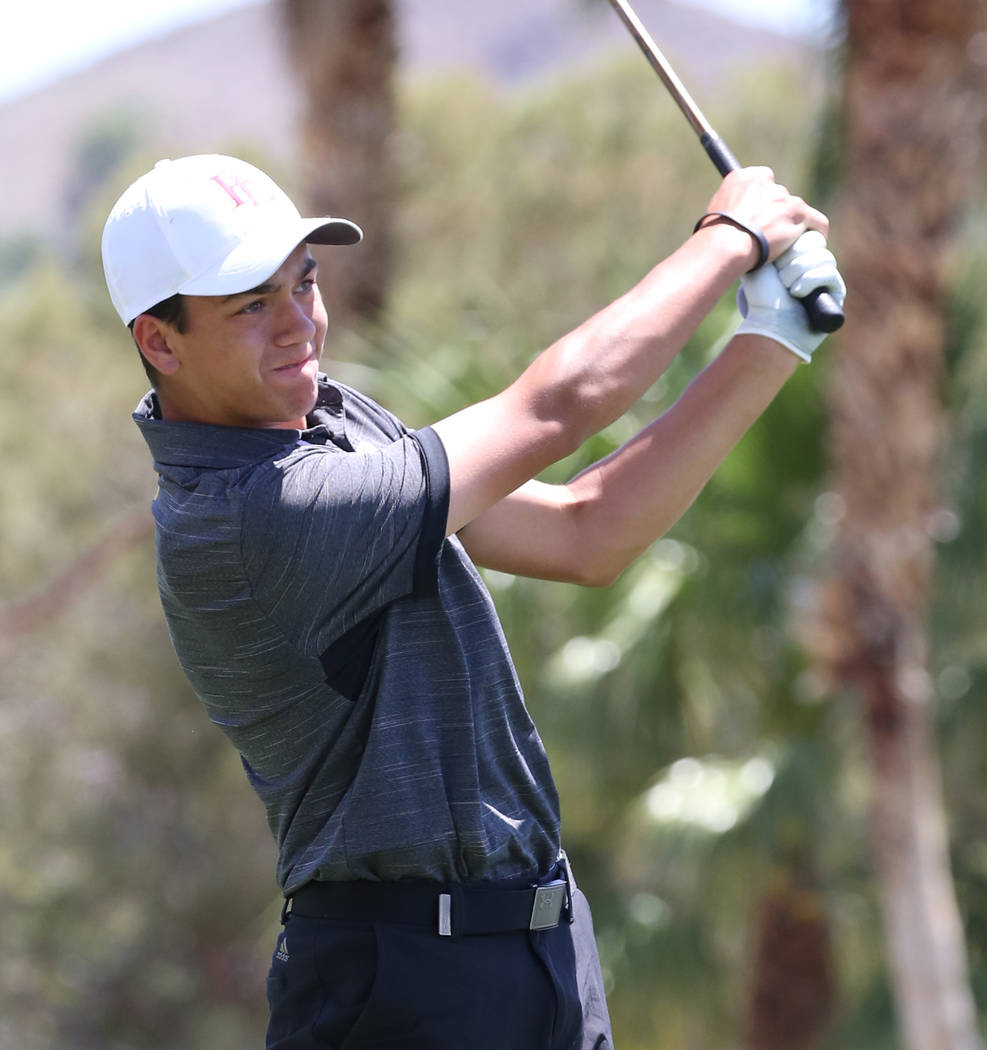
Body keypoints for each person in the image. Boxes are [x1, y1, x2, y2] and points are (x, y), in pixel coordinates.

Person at [101, 153, 845, 1050]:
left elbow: (585, 530)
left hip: (540, 958)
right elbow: (556, 407)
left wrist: (770, 340)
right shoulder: (242, 522)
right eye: (251, 306)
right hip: (401, 988)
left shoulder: (330, 430)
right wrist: (730, 239)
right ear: (160, 342)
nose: (299, 325)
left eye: (304, 283)